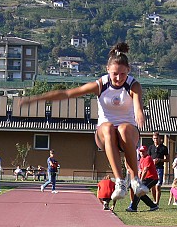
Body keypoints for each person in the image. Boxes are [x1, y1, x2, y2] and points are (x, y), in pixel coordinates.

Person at [20, 42, 147, 202]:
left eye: (122, 74)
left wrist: (139, 113)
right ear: (107, 70)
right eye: (115, 73)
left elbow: (137, 103)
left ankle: (135, 180)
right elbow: (67, 94)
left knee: (123, 129)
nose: (119, 78)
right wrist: (36, 99)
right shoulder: (100, 85)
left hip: (128, 134)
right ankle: (120, 182)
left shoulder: (133, 85)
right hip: (104, 135)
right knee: (108, 128)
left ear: (128, 71)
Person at [126, 145, 160, 212]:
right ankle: (153, 206)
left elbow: (145, 170)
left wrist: (140, 181)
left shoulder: (148, 158)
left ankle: (133, 207)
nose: (141, 153)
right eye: (140, 151)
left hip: (152, 178)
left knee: (139, 190)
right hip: (146, 178)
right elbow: (140, 171)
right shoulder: (141, 159)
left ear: (146, 151)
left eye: (143, 151)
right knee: (140, 192)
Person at [150, 131, 168, 205]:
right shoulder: (151, 147)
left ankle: (157, 202)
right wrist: (152, 161)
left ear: (160, 138)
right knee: (152, 187)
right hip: (152, 169)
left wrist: (160, 160)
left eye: (157, 138)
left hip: (160, 168)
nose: (155, 140)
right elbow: (147, 157)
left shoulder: (164, 148)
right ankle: (154, 201)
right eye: (154, 138)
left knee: (158, 186)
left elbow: (167, 159)